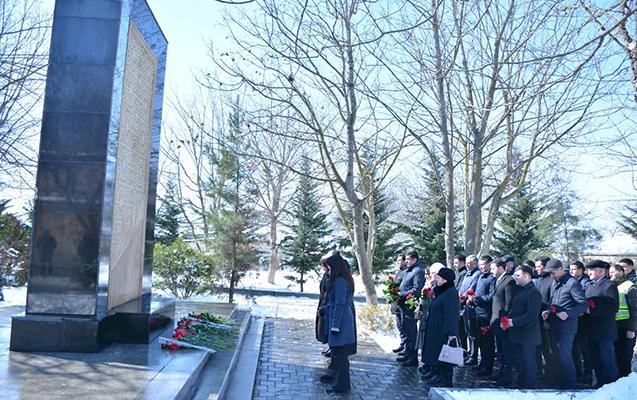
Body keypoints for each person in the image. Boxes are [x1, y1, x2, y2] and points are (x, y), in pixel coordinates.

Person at [541, 259, 587, 390]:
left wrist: (568, 313)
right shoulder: (555, 283)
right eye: (549, 273)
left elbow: (583, 304)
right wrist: (548, 312)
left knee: (565, 356)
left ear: (560, 269)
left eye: (553, 272)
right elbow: (554, 301)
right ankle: (561, 384)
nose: (551, 275)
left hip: (567, 327)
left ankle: (571, 385)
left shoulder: (572, 284)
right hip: (555, 324)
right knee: (557, 355)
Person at [320, 253, 356, 394]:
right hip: (339, 319)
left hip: (340, 322)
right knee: (339, 355)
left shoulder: (340, 281)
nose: (328, 268)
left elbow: (340, 304)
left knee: (340, 355)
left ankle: (340, 385)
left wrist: (335, 325)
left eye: (329, 266)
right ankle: (341, 383)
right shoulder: (341, 279)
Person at [580, 260, 619, 388]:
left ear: (600, 271)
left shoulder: (609, 285)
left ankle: (612, 384)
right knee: (595, 359)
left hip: (604, 330)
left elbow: (612, 307)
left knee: (607, 359)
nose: (589, 272)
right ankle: (601, 382)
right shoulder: (590, 285)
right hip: (591, 330)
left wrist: (591, 310)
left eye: (591, 270)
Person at [504, 265, 542, 389]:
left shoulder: (533, 292)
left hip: (528, 333)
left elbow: (531, 315)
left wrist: (514, 322)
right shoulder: (519, 289)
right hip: (517, 332)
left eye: (518, 275)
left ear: (526, 277)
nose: (515, 277)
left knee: (528, 361)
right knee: (520, 361)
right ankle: (520, 382)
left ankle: (529, 385)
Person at [421, 267, 460, 387]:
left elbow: (451, 314)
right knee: (437, 353)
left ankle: (446, 379)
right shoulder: (442, 291)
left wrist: (451, 332)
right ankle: (437, 374)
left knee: (446, 355)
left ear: (444, 280)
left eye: (438, 277)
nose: (436, 279)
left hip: (443, 330)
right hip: (436, 329)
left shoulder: (450, 293)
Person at [467, 255, 495, 376]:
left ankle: (488, 366)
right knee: (480, 341)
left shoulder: (491, 279)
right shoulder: (480, 277)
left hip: (486, 314)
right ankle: (482, 362)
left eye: (484, 264)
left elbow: (491, 297)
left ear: (489, 265)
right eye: (481, 265)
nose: (482, 267)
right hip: (477, 313)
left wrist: (476, 299)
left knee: (488, 342)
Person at [489, 258, 516, 385]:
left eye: (493, 268)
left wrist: (505, 320)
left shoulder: (509, 281)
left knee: (507, 350)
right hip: (496, 319)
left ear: (501, 268)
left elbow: (508, 303)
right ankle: (500, 372)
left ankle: (507, 375)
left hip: (503, 322)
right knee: (500, 350)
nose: (491, 271)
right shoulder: (497, 280)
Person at [609, 264, 637, 378]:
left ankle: (625, 380)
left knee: (625, 355)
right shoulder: (612, 285)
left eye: (613, 272)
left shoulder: (629, 286)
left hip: (626, 325)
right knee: (617, 354)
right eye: (609, 272)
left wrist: (631, 329)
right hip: (614, 324)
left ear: (621, 273)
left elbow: (634, 310)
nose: (610, 274)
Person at [569, 260, 593, 384]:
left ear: (580, 270)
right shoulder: (572, 282)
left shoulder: (586, 283)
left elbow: (585, 299)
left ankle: (588, 374)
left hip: (584, 319)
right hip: (574, 318)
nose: (571, 271)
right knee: (575, 348)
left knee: (585, 348)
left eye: (573, 269)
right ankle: (578, 372)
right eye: (570, 269)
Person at [418, 262, 442, 377]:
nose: (430, 276)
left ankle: (434, 369)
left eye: (433, 273)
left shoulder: (439, 287)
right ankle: (428, 365)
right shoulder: (431, 284)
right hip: (426, 316)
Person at [534, 256, 555, 381]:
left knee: (549, 349)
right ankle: (540, 371)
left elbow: (552, 301)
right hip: (537, 319)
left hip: (547, 320)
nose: (536, 269)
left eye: (538, 266)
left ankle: (552, 373)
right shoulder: (538, 280)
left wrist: (548, 320)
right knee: (539, 347)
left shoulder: (551, 281)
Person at [458, 254, 481, 365]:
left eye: (469, 263)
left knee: (472, 333)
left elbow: (471, 288)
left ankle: (473, 355)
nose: (467, 265)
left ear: (475, 264)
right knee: (464, 332)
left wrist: (464, 297)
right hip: (462, 307)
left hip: (470, 306)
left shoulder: (477, 274)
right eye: (466, 262)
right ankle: (465, 353)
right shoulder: (467, 274)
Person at [392, 254, 409, 354]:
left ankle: (406, 345)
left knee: (404, 326)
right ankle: (402, 343)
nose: (398, 262)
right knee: (399, 326)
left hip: (402, 302)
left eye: (400, 260)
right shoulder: (399, 272)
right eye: (397, 261)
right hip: (396, 304)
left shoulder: (406, 273)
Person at [454, 254, 468, 352]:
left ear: (463, 263)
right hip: (455, 303)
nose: (455, 265)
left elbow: (460, 288)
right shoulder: (456, 273)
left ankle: (463, 350)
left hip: (461, 305)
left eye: (457, 262)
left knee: (462, 330)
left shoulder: (464, 274)